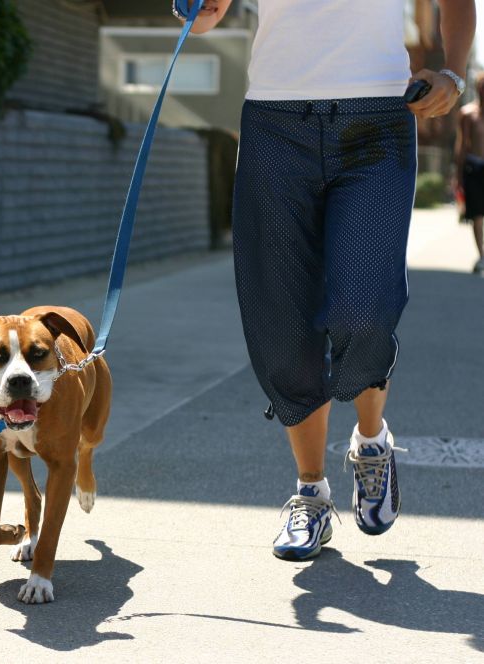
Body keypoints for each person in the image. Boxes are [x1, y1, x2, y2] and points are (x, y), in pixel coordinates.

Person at [179, 1, 475, 559]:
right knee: (284, 326)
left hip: (378, 123)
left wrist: (454, 72)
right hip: (274, 125)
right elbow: (206, 15)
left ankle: (371, 443)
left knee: (364, 309)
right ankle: (311, 494)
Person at [455, 71, 484, 273]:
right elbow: (462, 145)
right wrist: (457, 176)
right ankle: (482, 255)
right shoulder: (467, 113)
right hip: (474, 167)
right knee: (477, 214)